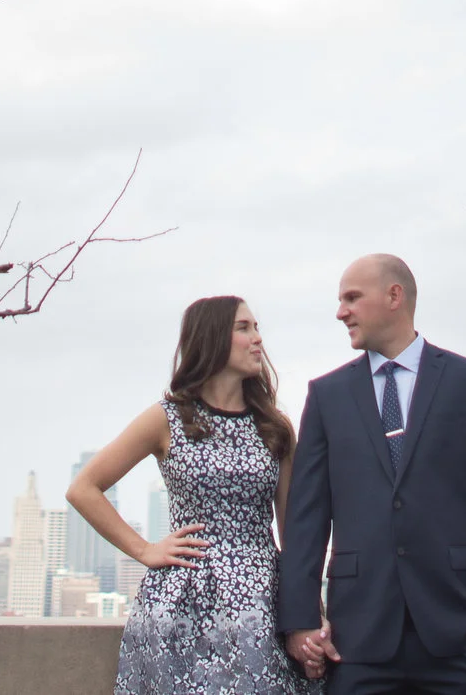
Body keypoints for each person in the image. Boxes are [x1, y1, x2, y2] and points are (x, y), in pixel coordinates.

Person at [276, 255, 466, 694]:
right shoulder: (327, 396)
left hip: (461, 635)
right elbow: (305, 521)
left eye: (352, 298)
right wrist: (299, 622)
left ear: (395, 296)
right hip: (357, 640)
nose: (341, 312)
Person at [71, 295, 306, 695]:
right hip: (182, 607)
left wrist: (305, 613)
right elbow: (84, 488)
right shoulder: (168, 416)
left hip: (260, 608)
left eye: (257, 328)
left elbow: (295, 533)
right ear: (213, 338)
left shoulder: (276, 426)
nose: (258, 340)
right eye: (244, 328)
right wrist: (145, 550)